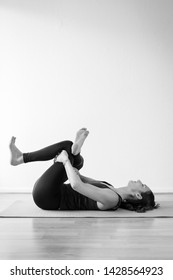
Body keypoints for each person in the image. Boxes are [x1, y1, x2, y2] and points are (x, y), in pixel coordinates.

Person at [9, 128, 159, 212]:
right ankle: (75, 152)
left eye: (143, 185)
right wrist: (74, 162)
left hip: (47, 197)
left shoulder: (113, 199)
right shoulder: (110, 187)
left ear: (138, 195)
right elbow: (79, 177)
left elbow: (76, 185)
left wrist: (66, 161)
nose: (140, 181)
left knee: (67, 149)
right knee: (77, 160)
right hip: (51, 190)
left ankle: (21, 158)